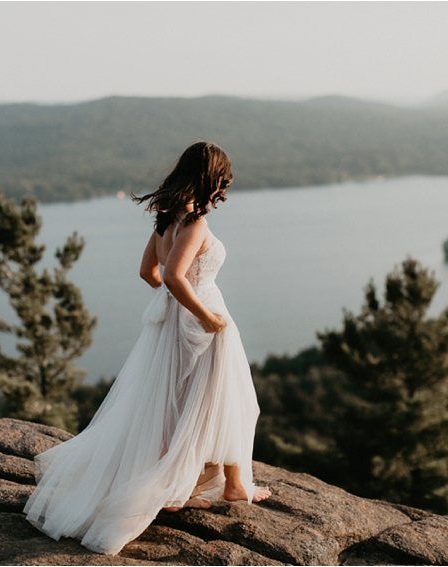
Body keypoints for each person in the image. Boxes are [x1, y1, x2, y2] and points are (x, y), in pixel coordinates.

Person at [24, 141, 270, 555]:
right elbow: (172, 275)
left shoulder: (165, 221)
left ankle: (185, 487)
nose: (226, 186)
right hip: (202, 318)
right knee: (226, 398)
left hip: (173, 322)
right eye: (224, 179)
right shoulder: (195, 223)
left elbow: (147, 272)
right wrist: (203, 315)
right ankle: (232, 484)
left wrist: (174, 306)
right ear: (212, 179)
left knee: (176, 403)